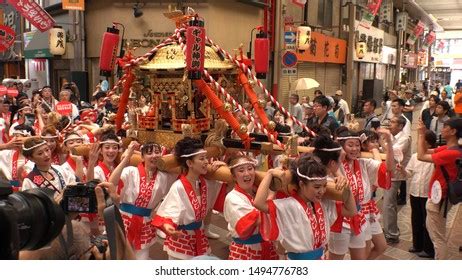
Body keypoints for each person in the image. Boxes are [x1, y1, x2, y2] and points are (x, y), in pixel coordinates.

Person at [254, 154, 356, 260]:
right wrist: (269, 174)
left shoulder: (323, 203)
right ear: (302, 184)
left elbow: (352, 211)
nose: (322, 191)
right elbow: (258, 203)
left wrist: (347, 188)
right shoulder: (288, 205)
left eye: (325, 185)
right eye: (317, 187)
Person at [152, 137, 226, 259]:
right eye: (202, 159)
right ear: (189, 163)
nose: (206, 162)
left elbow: (225, 192)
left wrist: (224, 170)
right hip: (181, 240)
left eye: (206, 158)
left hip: (199, 238)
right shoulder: (179, 187)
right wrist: (168, 227)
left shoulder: (205, 183)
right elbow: (168, 214)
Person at [328, 127, 394, 260]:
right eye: (350, 145)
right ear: (341, 147)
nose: (355, 149)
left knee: (361, 259)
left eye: (357, 145)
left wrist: (389, 143)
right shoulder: (335, 166)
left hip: (361, 216)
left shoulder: (364, 163)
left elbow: (389, 168)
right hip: (342, 218)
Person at [108, 141, 176, 259]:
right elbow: (112, 183)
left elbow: (184, 169)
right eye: (149, 153)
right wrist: (127, 156)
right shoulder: (130, 171)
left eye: (157, 152)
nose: (154, 155)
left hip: (145, 223)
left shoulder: (164, 177)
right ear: (142, 157)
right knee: (120, 259)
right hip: (124, 220)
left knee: (141, 260)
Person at [417, 117, 462, 259]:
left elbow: (421, 156)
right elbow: (427, 150)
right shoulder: (449, 148)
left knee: (438, 238)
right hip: (440, 195)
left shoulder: (452, 153)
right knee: (435, 233)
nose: (442, 129)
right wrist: (423, 134)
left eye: (445, 127)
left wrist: (420, 134)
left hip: (440, 197)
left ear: (453, 131)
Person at [223, 154, 279, 260]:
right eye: (241, 170)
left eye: (250, 169)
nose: (247, 173)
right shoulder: (232, 198)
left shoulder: (256, 192)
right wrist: (271, 195)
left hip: (267, 246)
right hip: (246, 251)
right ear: (234, 176)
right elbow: (257, 219)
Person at [401, 130, 436, 259]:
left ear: (429, 143)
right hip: (415, 192)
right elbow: (409, 174)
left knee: (428, 223)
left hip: (428, 194)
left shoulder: (434, 156)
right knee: (416, 220)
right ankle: (417, 245)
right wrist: (403, 171)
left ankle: (428, 249)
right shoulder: (415, 156)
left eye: (421, 140)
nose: (418, 142)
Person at [383, 116, 411, 244]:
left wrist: (381, 141)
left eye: (393, 122)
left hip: (395, 175)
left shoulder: (405, 138)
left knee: (389, 204)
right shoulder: (391, 137)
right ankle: (389, 229)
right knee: (388, 204)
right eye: (390, 121)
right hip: (388, 172)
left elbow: (392, 152)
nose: (390, 124)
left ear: (400, 126)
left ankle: (392, 234)